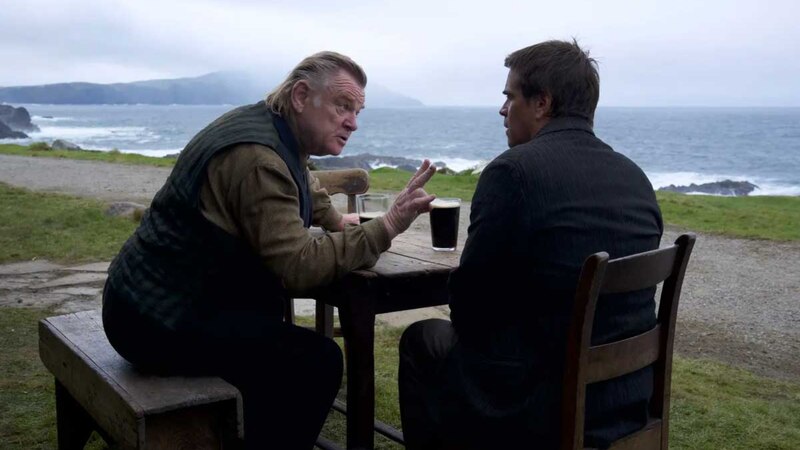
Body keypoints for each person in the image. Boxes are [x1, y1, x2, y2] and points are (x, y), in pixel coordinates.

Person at [102, 51, 436, 450]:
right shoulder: (258, 159)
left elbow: (303, 178)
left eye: (357, 111)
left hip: (143, 299)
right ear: (300, 96)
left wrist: (333, 221)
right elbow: (298, 267)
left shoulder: (271, 127)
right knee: (316, 363)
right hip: (153, 320)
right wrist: (388, 226)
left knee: (272, 332)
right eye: (342, 106)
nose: (352, 122)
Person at [398, 40, 664, 449]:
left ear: (541, 103)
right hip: (624, 400)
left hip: (539, 408)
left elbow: (469, 306)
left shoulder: (513, 173)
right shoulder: (636, 179)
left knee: (422, 340)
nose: (503, 110)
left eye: (510, 97)